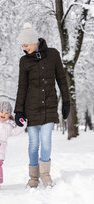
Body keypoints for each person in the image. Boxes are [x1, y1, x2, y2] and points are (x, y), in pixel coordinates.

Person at [14, 23, 70, 188]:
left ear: (34, 42)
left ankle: (45, 174)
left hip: (49, 106)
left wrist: (66, 101)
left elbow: (61, 79)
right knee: (33, 144)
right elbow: (22, 86)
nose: (23, 48)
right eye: (22, 45)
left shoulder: (53, 55)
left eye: (26, 45)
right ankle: (33, 177)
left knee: (46, 142)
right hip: (30, 108)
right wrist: (18, 110)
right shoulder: (24, 61)